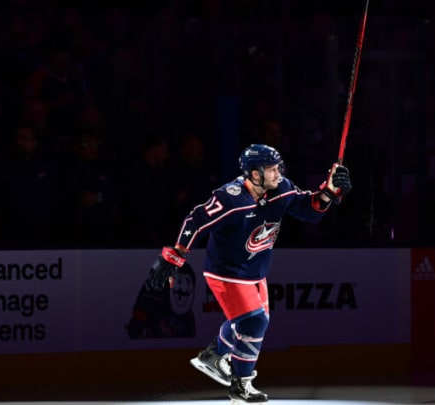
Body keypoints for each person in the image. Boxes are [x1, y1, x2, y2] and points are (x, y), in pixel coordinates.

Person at [146, 144, 351, 404]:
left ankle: (212, 355)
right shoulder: (230, 198)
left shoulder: (282, 188)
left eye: (279, 168)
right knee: (254, 323)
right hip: (226, 272)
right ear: (255, 174)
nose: (279, 174)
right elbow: (195, 221)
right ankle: (240, 387)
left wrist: (329, 192)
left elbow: (308, 210)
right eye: (272, 169)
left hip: (256, 271)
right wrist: (175, 256)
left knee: (253, 322)